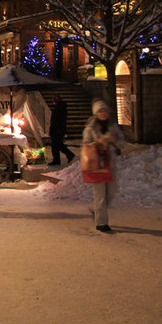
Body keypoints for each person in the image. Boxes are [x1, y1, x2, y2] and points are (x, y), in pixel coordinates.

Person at [82, 100, 125, 233]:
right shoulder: (91, 127)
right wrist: (99, 142)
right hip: (96, 164)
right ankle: (101, 223)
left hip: (110, 164)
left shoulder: (112, 126)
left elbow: (122, 143)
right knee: (100, 194)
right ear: (96, 113)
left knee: (111, 192)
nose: (103, 113)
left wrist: (114, 140)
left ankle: (98, 211)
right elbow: (86, 144)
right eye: (100, 111)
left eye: (104, 110)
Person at [49, 95, 75, 165]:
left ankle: (57, 160)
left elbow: (55, 121)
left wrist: (52, 129)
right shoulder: (62, 108)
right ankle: (69, 154)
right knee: (58, 144)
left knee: (55, 145)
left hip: (57, 130)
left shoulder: (58, 109)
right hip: (61, 129)